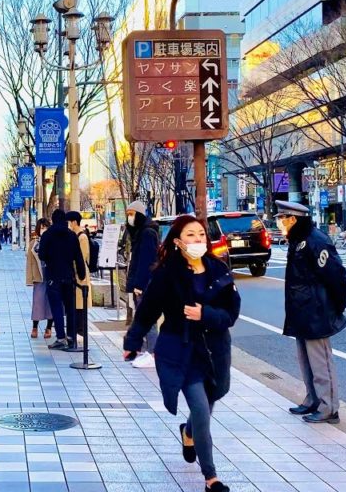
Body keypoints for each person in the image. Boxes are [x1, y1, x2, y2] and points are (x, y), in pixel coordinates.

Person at [123, 215, 240, 492]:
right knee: (200, 409)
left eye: (201, 234)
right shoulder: (166, 274)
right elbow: (148, 309)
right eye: (190, 235)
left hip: (214, 351)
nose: (198, 240)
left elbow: (231, 313)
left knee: (209, 404)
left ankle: (189, 433)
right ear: (177, 241)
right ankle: (211, 478)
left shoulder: (218, 269)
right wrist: (133, 340)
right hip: (181, 350)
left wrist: (205, 314)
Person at [275, 200, 346, 424]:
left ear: (293, 219)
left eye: (282, 219)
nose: (279, 223)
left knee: (320, 361)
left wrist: (337, 305)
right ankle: (313, 398)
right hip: (302, 310)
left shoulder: (316, 240)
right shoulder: (298, 240)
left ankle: (329, 407)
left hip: (316, 309)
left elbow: (336, 275)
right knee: (305, 359)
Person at [38, 209, 86, 350]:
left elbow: (41, 254)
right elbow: (78, 256)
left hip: (53, 275)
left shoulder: (47, 235)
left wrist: (50, 259)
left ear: (52, 220)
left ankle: (60, 337)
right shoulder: (71, 235)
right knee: (70, 308)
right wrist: (81, 274)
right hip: (68, 276)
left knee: (57, 308)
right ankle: (71, 337)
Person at [124, 200, 161, 368]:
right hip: (145, 283)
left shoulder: (146, 233)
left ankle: (153, 353)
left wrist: (139, 285)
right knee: (144, 317)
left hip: (145, 284)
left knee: (147, 318)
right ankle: (148, 350)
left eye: (131, 214)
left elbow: (146, 261)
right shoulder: (142, 232)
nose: (129, 218)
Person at [27, 218, 53, 339]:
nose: (44, 230)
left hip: (51, 276)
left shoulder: (54, 241)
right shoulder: (34, 243)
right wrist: (29, 279)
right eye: (41, 227)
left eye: (45, 227)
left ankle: (49, 327)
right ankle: (35, 327)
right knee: (37, 302)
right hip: (39, 276)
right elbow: (30, 263)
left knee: (51, 302)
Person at [68, 211, 91, 343]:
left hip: (80, 276)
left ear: (74, 222)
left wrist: (79, 274)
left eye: (69, 222)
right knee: (76, 306)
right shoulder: (75, 236)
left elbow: (81, 258)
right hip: (75, 275)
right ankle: (77, 331)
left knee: (80, 305)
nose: (69, 225)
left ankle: (81, 332)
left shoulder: (82, 237)